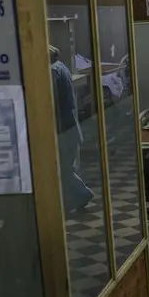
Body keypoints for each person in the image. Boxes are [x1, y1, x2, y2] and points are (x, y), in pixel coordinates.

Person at [50, 44, 95, 214]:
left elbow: (51, 100)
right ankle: (72, 200)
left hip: (64, 129)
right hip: (70, 127)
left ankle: (83, 194)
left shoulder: (53, 71)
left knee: (63, 168)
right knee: (66, 167)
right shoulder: (62, 67)